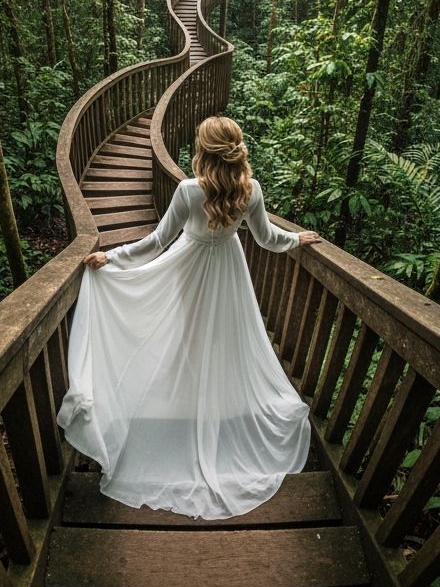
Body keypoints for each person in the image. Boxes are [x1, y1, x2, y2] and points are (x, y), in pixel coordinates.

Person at [55, 115, 322, 520]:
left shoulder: (188, 190)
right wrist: (296, 239)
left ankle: (186, 401)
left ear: (202, 151)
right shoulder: (251, 190)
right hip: (229, 268)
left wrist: (112, 256)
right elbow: (267, 238)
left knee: (188, 332)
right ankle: (214, 405)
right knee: (223, 337)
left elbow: (157, 241)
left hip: (189, 265)